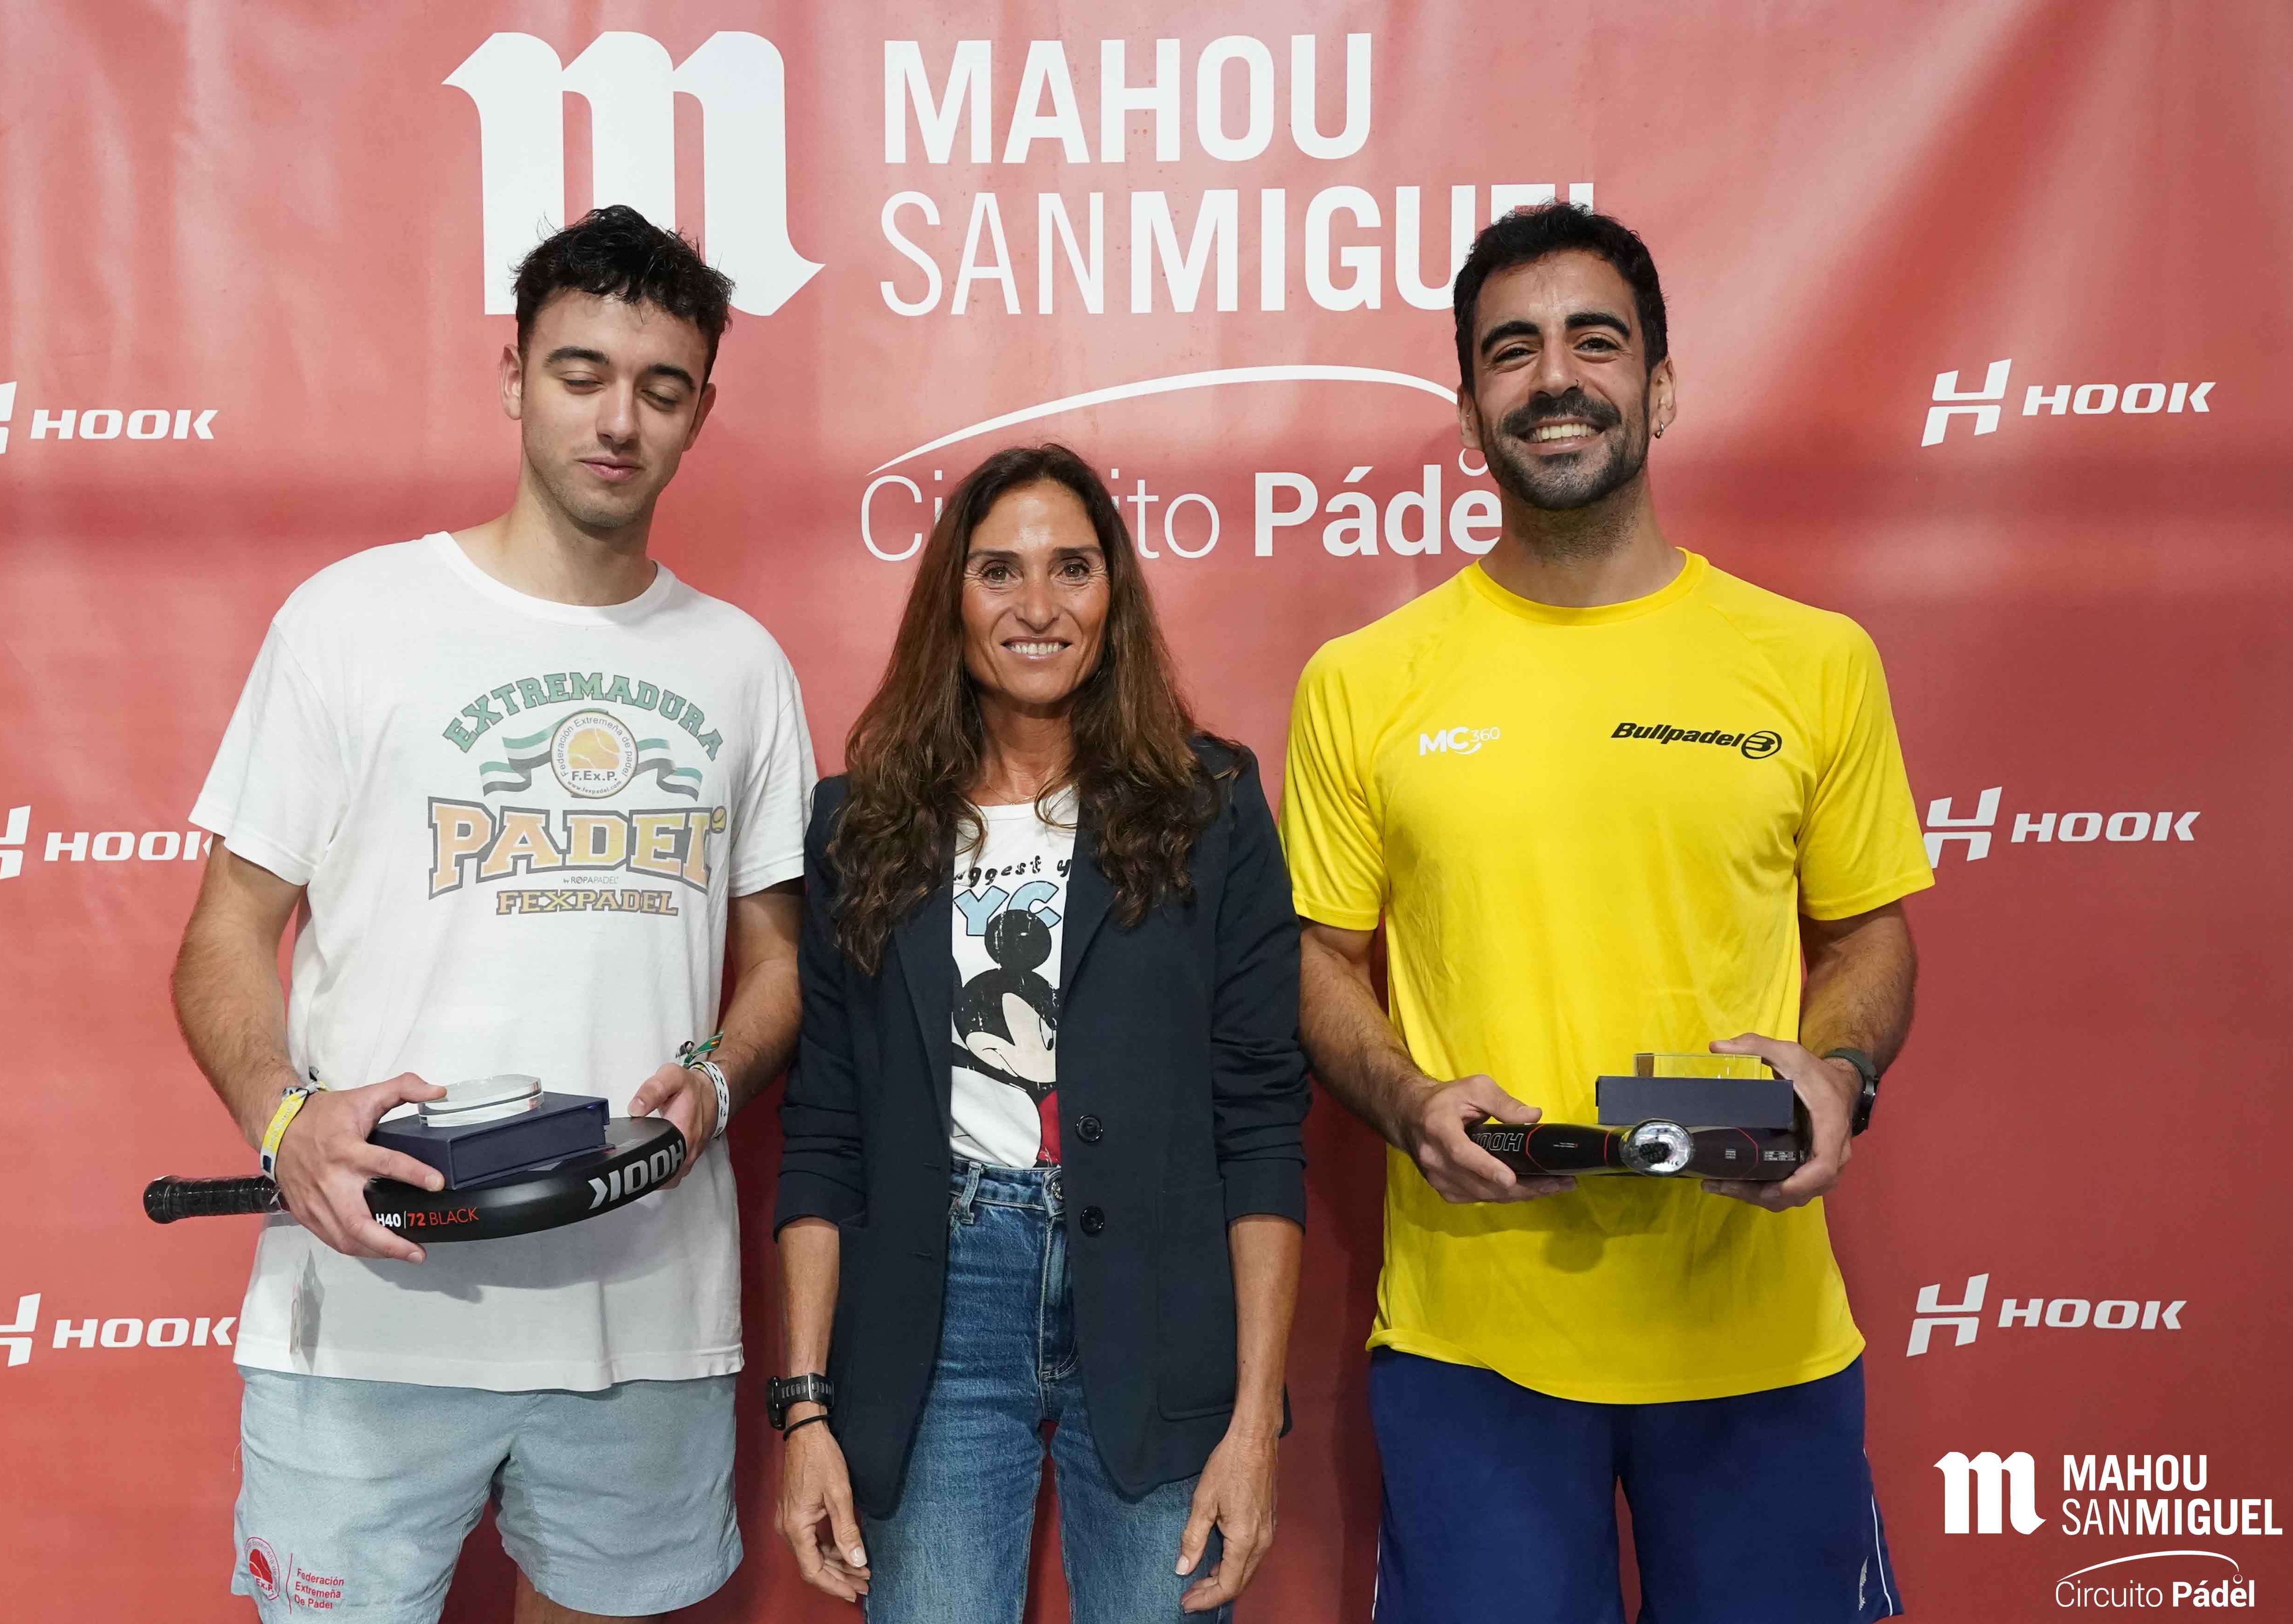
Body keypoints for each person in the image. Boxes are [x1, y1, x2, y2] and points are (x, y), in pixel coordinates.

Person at [1281, 203, 1931, 1624]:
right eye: (1511, 351)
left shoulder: (1814, 661)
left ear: (1663, 385)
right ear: (1470, 410)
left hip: (1756, 1334)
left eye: (1596, 341)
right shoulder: (1364, 681)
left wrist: (1837, 1073)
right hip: (1476, 1348)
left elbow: (1871, 934)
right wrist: (1407, 1099)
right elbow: (1317, 961)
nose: (1555, 377)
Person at [171, 205, 813, 1624]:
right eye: (581, 373)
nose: (619, 420)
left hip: (643, 1317)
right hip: (367, 1317)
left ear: (701, 410)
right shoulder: (350, 620)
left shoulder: (743, 666)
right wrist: (285, 1121)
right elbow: (223, 932)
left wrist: (719, 1074)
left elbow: (778, 959)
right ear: (514, 375)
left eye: (660, 388)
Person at [772, 445, 1308, 1623]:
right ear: (951, 599)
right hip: (936, 1311)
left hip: (1160, 1303)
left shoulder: (1209, 803)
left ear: (1113, 596)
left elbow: (1262, 1120)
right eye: (998, 571)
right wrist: (806, 1408)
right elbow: (824, 1128)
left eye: (1072, 567)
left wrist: (1254, 1419)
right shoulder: (861, 824)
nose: (1037, 605)